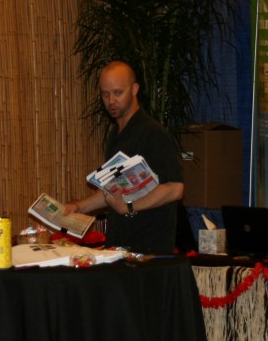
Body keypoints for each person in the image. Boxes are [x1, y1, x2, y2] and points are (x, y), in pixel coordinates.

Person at [64, 61, 184, 253]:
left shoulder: (153, 133)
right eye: (105, 94)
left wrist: (129, 207)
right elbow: (113, 191)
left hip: (149, 249)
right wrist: (79, 207)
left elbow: (175, 189)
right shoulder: (116, 134)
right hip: (121, 244)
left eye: (118, 93)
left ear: (134, 89)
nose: (111, 100)